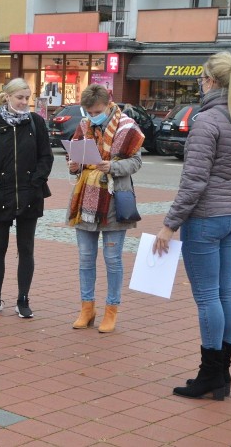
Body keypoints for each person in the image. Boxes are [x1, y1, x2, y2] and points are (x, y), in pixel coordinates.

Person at [153, 51, 231, 401]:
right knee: (226, 291)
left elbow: (194, 181)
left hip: (205, 220)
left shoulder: (207, 121)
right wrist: (228, 182)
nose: (200, 84)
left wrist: (170, 225)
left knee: (207, 297)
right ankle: (223, 374)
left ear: (211, 81)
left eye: (201, 79)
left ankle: (210, 374)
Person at [67, 84, 144, 333]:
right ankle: (87, 308)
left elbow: (136, 162)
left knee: (112, 259)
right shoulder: (84, 125)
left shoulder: (127, 126)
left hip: (114, 199)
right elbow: (76, 157)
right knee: (85, 258)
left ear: (109, 104)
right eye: (88, 112)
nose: (92, 116)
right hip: (85, 199)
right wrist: (74, 165)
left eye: (97, 111)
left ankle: (112, 309)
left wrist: (112, 167)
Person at [0, 78, 53, 318]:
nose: (23, 102)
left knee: (26, 248)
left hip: (30, 194)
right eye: (19, 97)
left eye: (27, 98)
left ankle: (23, 298)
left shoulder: (36, 122)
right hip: (0, 194)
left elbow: (46, 157)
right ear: (7, 97)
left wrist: (35, 182)